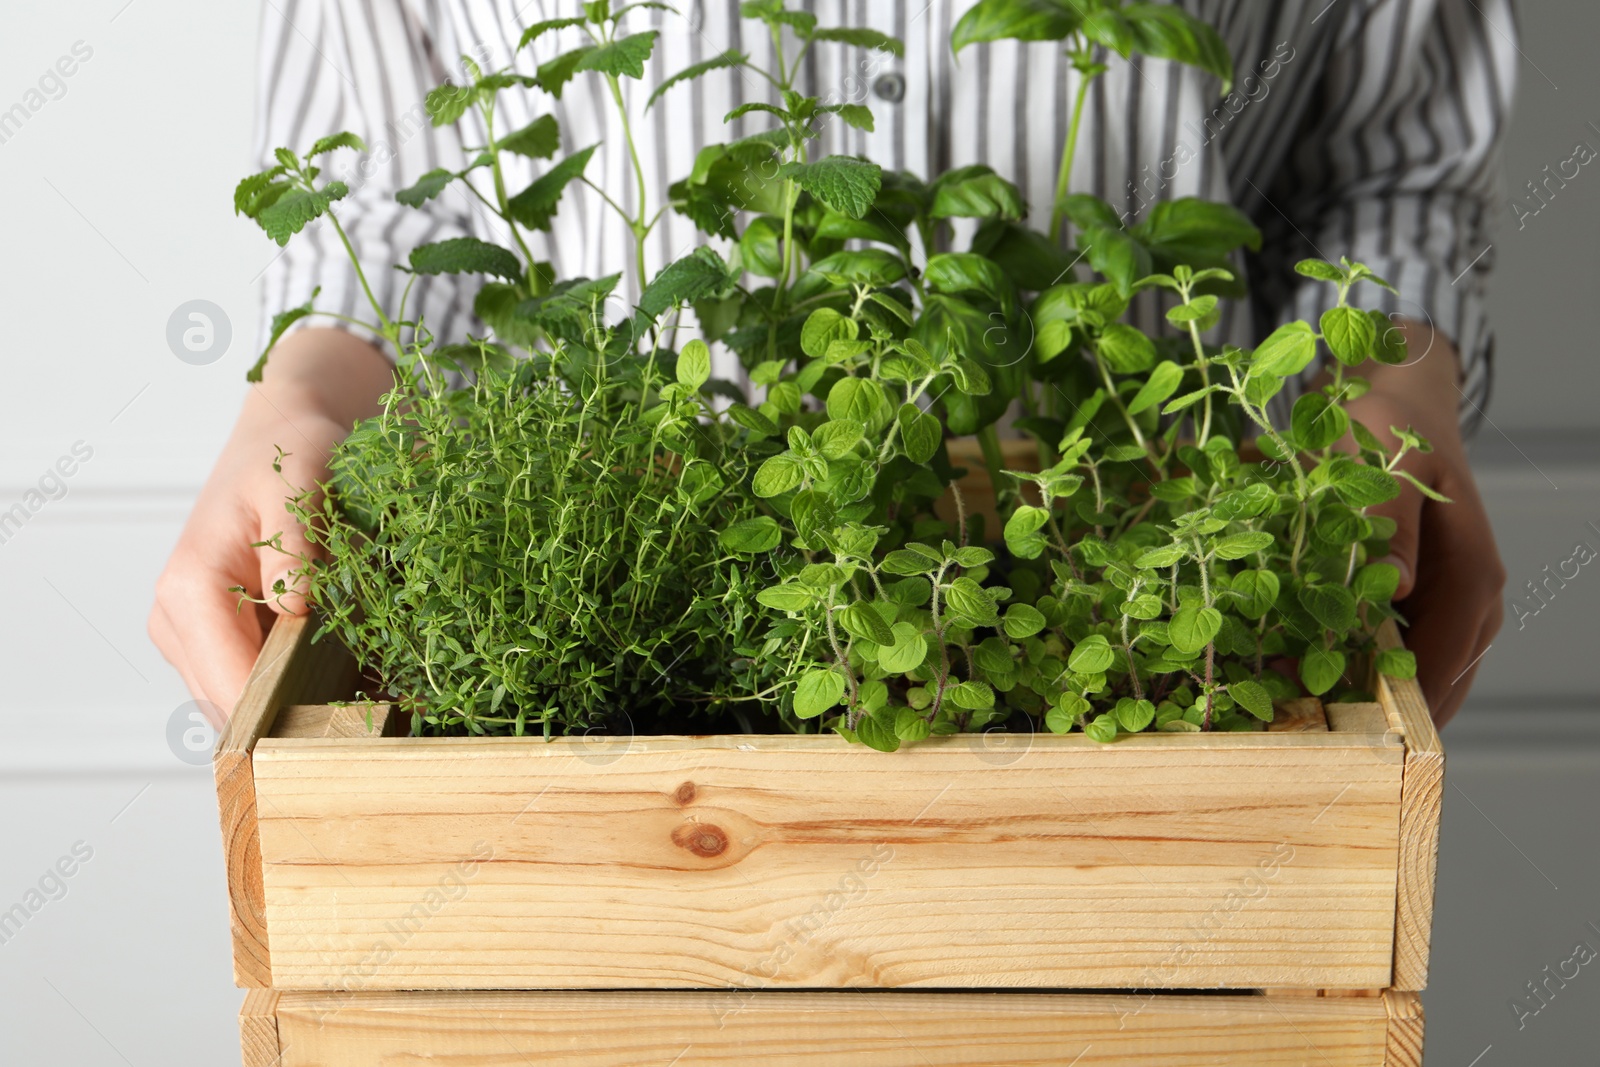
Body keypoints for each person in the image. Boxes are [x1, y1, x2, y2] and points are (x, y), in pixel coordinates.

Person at [150, 0, 1514, 727]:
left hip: (1143, 593)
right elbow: (400, 187)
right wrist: (309, 393)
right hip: (630, 641)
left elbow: (1388, 170)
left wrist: (1386, 393)